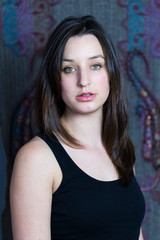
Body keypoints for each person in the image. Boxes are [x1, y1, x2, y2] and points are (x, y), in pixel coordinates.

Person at [10, 15, 145, 240]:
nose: (84, 81)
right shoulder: (36, 158)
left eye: (95, 65)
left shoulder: (121, 150)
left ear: (110, 73)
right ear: (55, 79)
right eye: (69, 69)